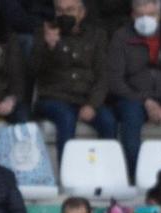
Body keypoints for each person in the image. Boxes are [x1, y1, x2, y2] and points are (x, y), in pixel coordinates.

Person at [103, 0, 161, 173]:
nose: (146, 19)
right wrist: (145, 101)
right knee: (130, 120)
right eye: (140, 15)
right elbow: (115, 80)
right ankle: (135, 174)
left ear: (160, 15)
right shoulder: (121, 37)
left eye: (151, 15)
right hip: (133, 98)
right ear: (132, 15)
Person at [31, 0, 111, 152]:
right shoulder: (44, 32)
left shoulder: (97, 35)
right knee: (66, 117)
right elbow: (34, 69)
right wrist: (50, 47)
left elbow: (103, 75)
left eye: (70, 10)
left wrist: (92, 104)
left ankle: (106, 169)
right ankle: (65, 172)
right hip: (54, 97)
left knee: (108, 120)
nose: (64, 14)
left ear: (82, 13)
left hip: (84, 98)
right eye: (60, 11)